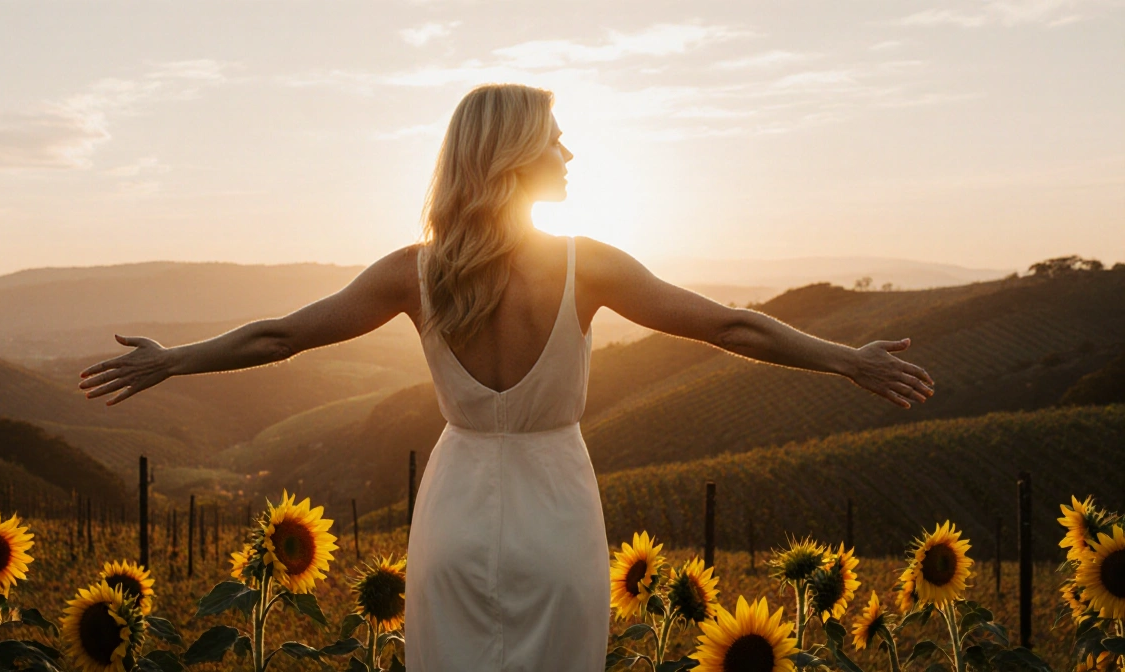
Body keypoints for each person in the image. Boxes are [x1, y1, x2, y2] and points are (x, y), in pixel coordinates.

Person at [78, 83, 934, 671]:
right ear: (515, 155)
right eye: (554, 139)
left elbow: (277, 337)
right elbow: (729, 324)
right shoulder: (584, 266)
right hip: (557, 506)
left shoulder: (414, 272)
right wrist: (845, 360)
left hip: (452, 512)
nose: (569, 152)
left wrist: (173, 360)